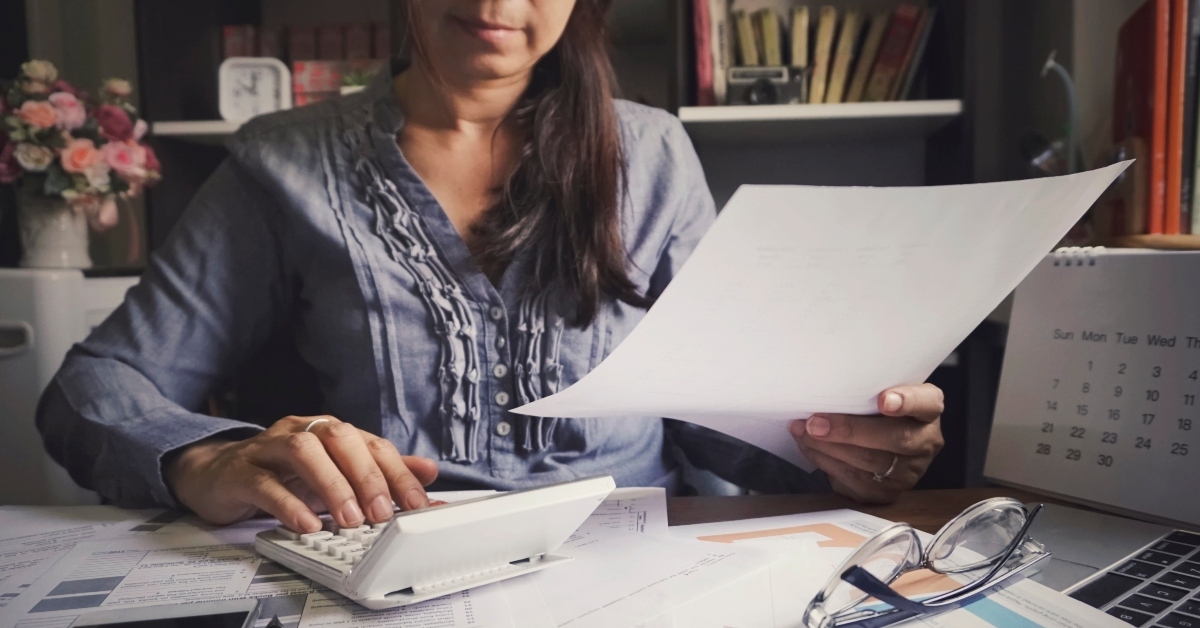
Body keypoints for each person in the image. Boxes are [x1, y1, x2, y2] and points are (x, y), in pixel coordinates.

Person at [36, 0, 945, 534]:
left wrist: (842, 448)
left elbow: (716, 425)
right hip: (390, 575)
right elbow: (96, 384)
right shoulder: (285, 162)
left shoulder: (652, 153)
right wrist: (205, 459)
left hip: (636, 569)